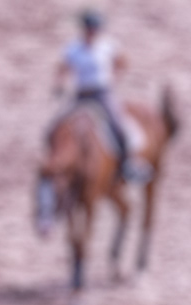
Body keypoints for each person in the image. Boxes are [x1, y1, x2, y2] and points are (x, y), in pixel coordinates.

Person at [54, 10, 148, 184]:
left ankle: (129, 163)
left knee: (118, 124)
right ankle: (53, 163)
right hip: (81, 94)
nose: (91, 32)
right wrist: (59, 85)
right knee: (56, 126)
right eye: (89, 29)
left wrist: (114, 78)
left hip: (102, 93)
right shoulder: (73, 48)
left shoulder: (108, 45)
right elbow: (62, 67)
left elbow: (122, 62)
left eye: (94, 29)